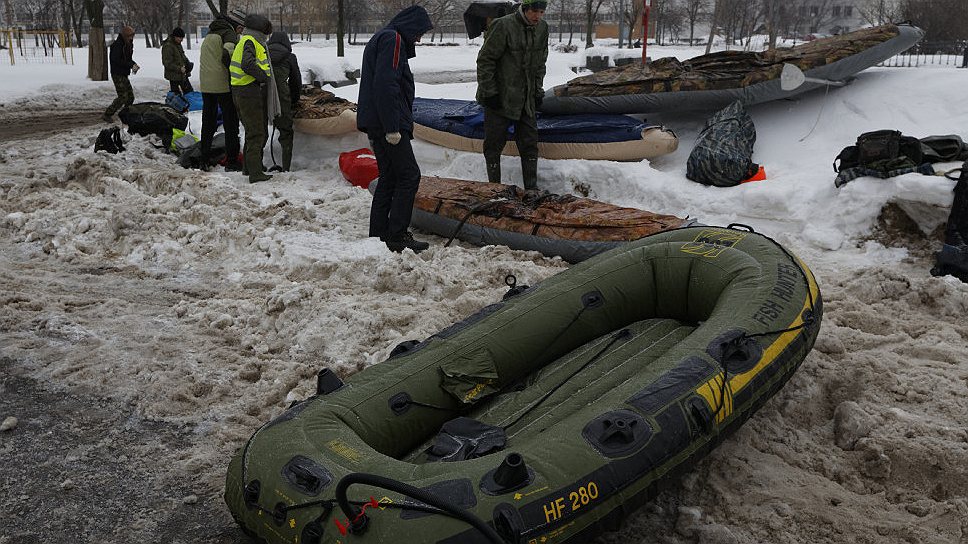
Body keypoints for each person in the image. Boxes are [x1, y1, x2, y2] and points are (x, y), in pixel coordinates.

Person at [357, 5, 433, 254]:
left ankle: (379, 234)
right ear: (410, 26)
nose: (419, 39)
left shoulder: (384, 36)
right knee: (409, 176)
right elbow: (386, 84)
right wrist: (392, 127)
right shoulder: (393, 39)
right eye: (419, 32)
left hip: (377, 120)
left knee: (389, 177)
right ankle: (398, 234)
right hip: (388, 123)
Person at [475, 0, 549, 190]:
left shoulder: (542, 29)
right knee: (493, 145)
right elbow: (485, 61)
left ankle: (531, 189)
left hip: (526, 99)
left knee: (530, 143)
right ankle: (495, 189)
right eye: (535, 11)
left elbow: (540, 63)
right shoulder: (503, 25)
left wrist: (537, 91)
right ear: (525, 8)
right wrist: (490, 92)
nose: (538, 16)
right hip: (500, 98)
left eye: (542, 12)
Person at [230, 14, 281, 183]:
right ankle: (255, 173)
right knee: (257, 133)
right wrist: (264, 77)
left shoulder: (245, 40)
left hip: (240, 90)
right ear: (260, 31)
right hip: (248, 92)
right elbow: (248, 64)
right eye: (266, 33)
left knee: (252, 132)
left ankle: (249, 167)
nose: (267, 37)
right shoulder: (251, 42)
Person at [199, 14, 244, 171]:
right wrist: (234, 72)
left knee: (208, 121)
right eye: (240, 29)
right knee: (230, 121)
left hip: (206, 84)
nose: (240, 32)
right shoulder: (228, 33)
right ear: (234, 26)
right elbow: (227, 54)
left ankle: (203, 158)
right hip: (222, 84)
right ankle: (232, 161)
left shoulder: (210, 34)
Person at [267, 31, 301, 172]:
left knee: (257, 133)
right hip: (281, 97)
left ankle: (252, 167)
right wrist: (293, 100)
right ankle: (286, 167)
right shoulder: (289, 57)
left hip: (261, 95)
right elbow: (295, 82)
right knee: (286, 132)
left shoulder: (262, 53)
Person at [103, 26, 139, 123]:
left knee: (130, 97)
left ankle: (126, 114)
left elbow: (127, 59)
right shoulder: (118, 45)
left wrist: (133, 64)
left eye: (132, 36)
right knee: (123, 96)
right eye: (129, 36)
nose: (131, 38)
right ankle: (108, 114)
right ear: (124, 36)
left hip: (124, 73)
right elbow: (116, 60)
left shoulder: (128, 44)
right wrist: (130, 65)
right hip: (117, 73)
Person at [161, 27, 194, 94]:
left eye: (182, 38)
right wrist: (179, 68)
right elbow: (167, 63)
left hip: (182, 75)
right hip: (173, 76)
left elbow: (182, 56)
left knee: (189, 93)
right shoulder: (168, 46)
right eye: (180, 38)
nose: (181, 40)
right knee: (177, 96)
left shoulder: (177, 44)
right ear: (175, 36)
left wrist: (188, 63)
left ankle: (187, 104)